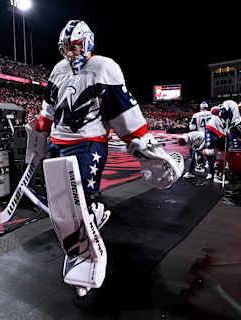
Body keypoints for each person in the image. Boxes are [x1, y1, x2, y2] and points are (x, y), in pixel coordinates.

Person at [33, 19, 183, 297]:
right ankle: (91, 223)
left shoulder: (104, 67)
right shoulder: (58, 70)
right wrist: (40, 125)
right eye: (65, 47)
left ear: (87, 43)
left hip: (87, 144)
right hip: (58, 142)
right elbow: (50, 108)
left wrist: (141, 145)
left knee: (77, 205)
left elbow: (123, 112)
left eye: (74, 46)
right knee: (59, 204)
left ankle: (88, 259)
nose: (70, 52)